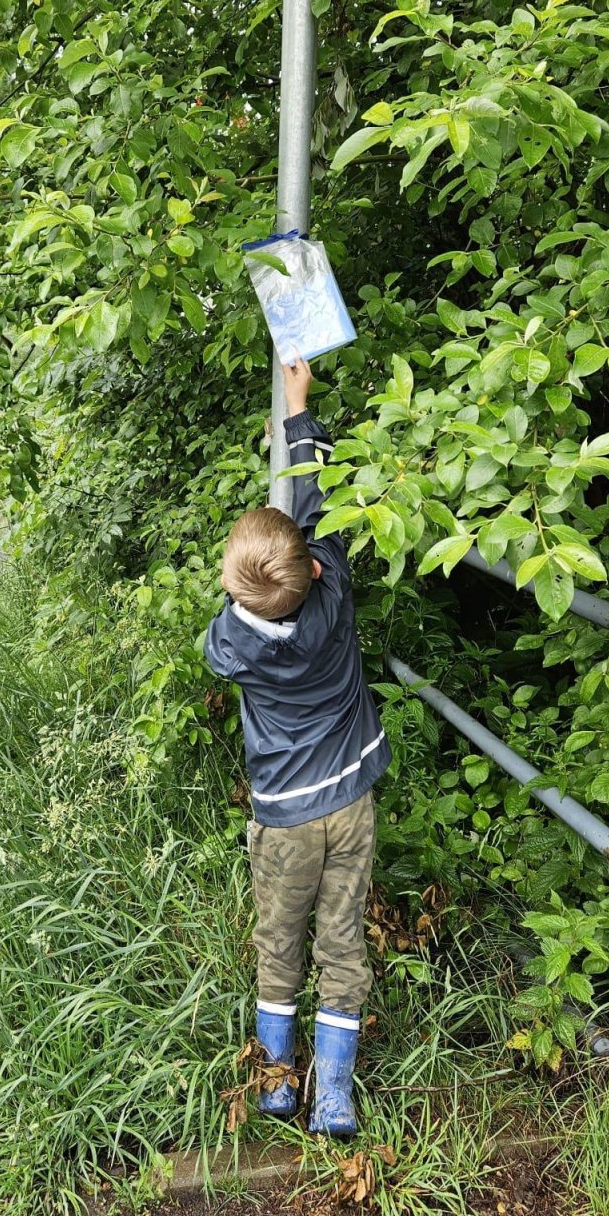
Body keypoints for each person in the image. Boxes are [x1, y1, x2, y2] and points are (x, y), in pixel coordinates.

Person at [204, 357, 392, 1136]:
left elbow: (239, 608)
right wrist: (297, 407)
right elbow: (320, 500)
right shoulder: (334, 593)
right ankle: (335, 1096)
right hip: (348, 801)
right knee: (341, 943)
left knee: (279, 943)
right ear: (313, 568)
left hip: (284, 819)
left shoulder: (229, 644)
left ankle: (280, 1084)